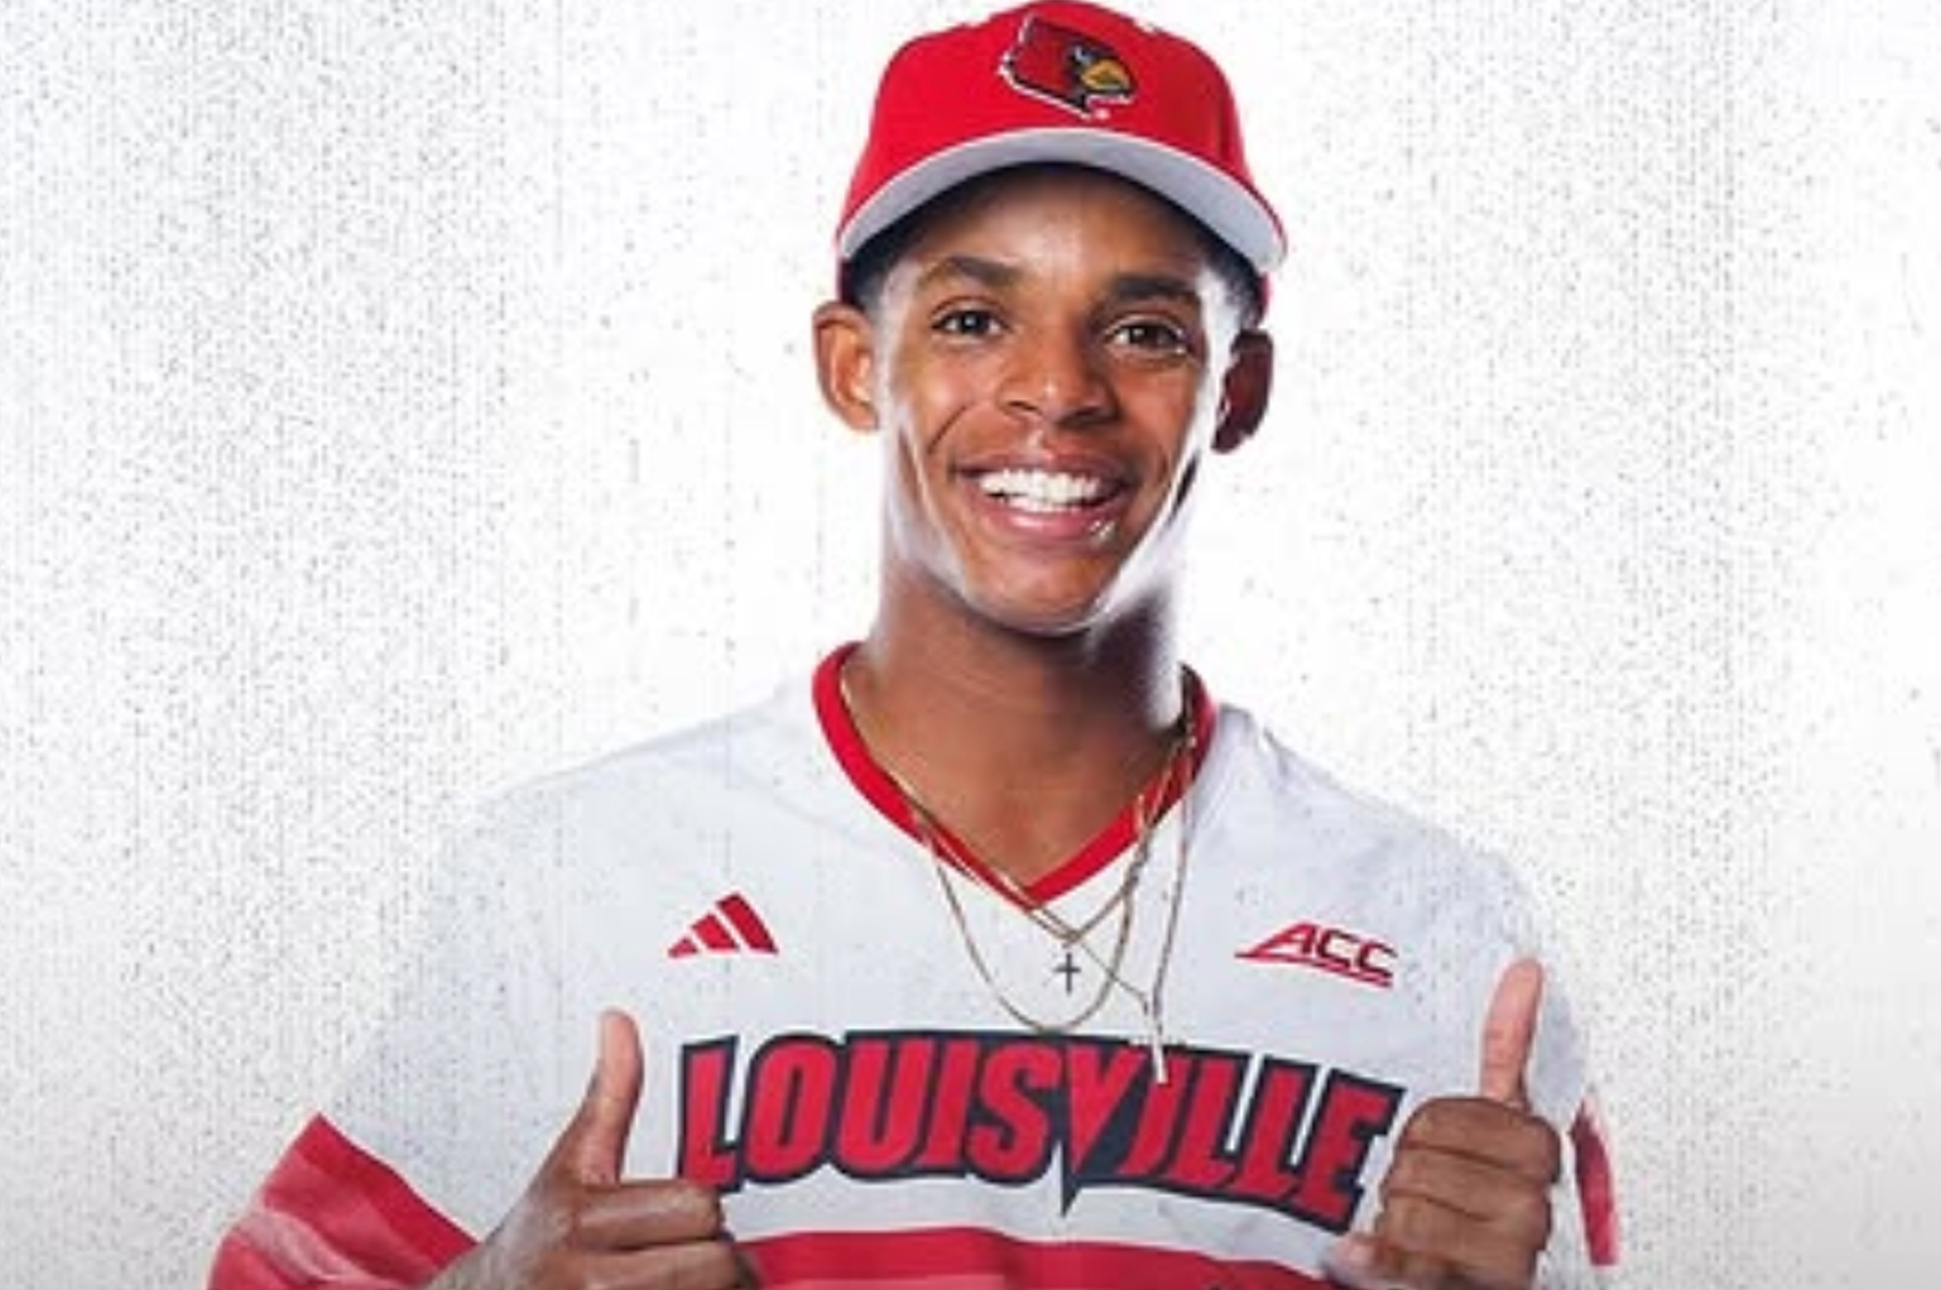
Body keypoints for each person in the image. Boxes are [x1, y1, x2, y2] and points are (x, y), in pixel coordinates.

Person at [209, 3, 1618, 1287]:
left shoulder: (1440, 926)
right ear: (853, 365)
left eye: (1143, 330)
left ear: (1236, 391)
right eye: (972, 319)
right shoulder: (574, 874)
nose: (1057, 390)